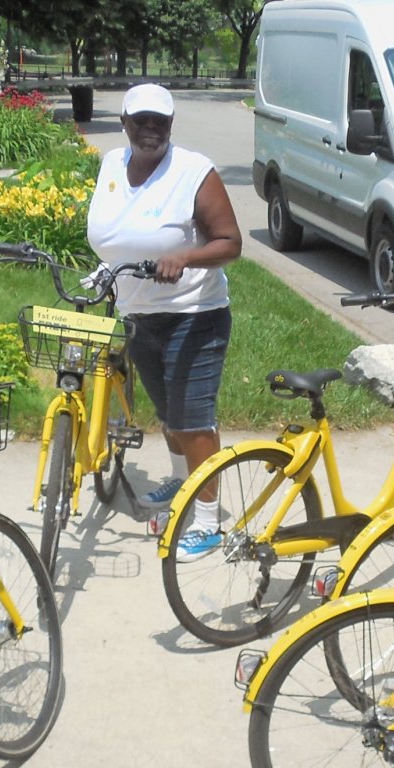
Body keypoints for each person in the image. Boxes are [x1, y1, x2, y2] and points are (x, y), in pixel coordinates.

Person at [87, 83, 242, 561]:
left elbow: (230, 243)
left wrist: (186, 257)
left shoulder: (194, 172)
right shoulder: (112, 164)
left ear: (171, 125)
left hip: (193, 317)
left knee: (193, 422)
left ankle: (210, 521)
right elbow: (115, 235)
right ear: (125, 123)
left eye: (160, 121)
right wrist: (104, 270)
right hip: (138, 315)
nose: (150, 129)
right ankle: (181, 484)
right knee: (168, 415)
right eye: (141, 120)